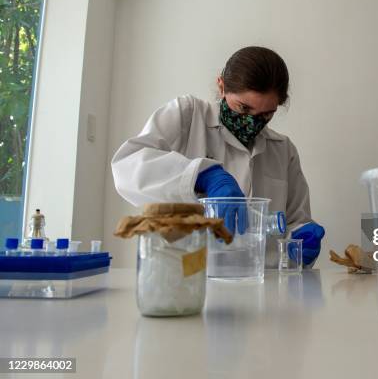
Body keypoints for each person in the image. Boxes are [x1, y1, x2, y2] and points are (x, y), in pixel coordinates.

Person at [111, 46, 324, 267]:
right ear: (221, 86)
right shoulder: (188, 116)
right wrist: (203, 175)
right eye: (243, 108)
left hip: (260, 282)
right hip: (188, 277)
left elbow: (294, 223)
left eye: (266, 114)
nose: (252, 122)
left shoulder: (283, 150)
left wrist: (302, 240)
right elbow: (127, 165)